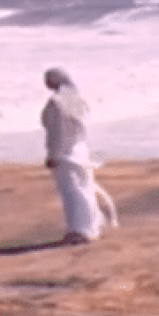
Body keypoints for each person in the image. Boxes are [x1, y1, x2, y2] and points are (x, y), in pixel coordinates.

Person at [40, 67, 119, 244]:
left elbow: (57, 133)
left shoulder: (56, 102)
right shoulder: (79, 101)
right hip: (81, 152)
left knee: (72, 193)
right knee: (85, 191)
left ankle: (80, 231)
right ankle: (92, 227)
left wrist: (53, 154)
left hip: (65, 155)